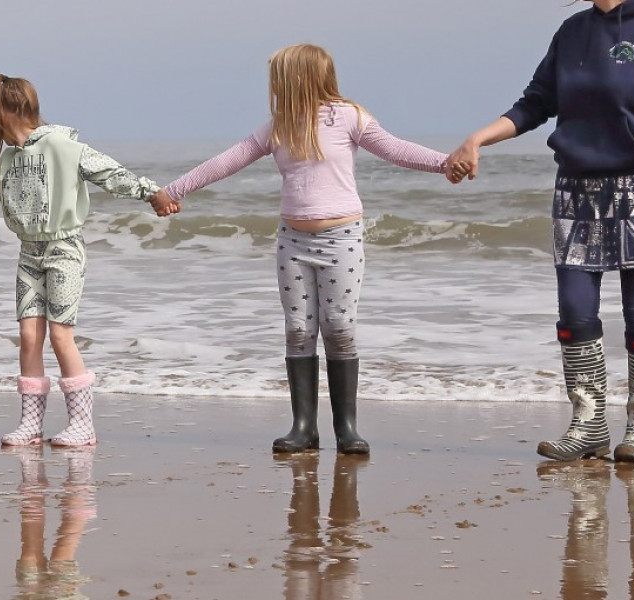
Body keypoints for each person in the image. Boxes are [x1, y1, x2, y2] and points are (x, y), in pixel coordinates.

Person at [448, 0, 634, 464]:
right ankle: (589, 425)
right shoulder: (572, 31)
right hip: (577, 190)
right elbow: (536, 102)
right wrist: (478, 138)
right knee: (575, 313)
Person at [155, 44, 450, 454]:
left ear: (299, 77)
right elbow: (229, 160)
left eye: (278, 76)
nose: (272, 84)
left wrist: (446, 163)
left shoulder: (349, 116)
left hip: (342, 239)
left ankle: (346, 428)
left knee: (339, 328)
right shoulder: (279, 126)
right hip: (293, 242)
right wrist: (174, 190)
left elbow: (396, 149)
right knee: (298, 330)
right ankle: (303, 428)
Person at [0, 75, 167, 448]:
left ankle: (82, 425)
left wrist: (154, 194)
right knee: (28, 337)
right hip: (29, 253)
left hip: (64, 250)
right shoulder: (7, 159)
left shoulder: (64, 145)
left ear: (5, 113)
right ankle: (30, 424)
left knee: (60, 336)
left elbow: (111, 174)